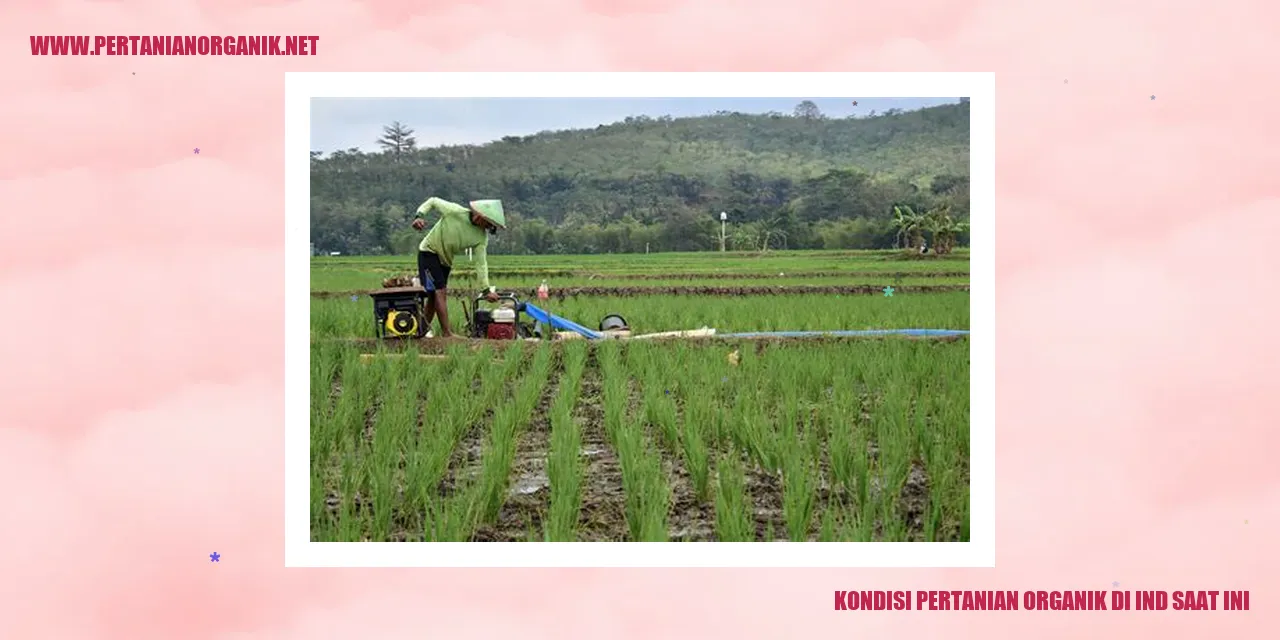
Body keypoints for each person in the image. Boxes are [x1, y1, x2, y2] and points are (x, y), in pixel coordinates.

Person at [410, 197, 506, 338]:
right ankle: (447, 333)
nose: (488, 227)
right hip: (429, 252)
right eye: (488, 223)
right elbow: (433, 201)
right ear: (480, 216)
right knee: (439, 291)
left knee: (432, 296)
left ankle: (420, 332)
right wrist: (419, 216)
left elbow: (481, 263)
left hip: (445, 261)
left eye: (490, 225)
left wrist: (486, 290)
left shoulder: (481, 238)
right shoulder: (456, 211)